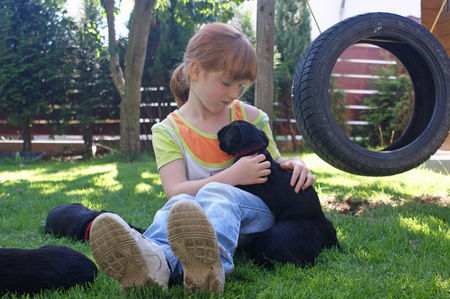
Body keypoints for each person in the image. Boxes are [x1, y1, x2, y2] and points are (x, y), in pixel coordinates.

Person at [89, 22, 316, 296]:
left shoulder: (253, 118)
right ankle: (155, 262)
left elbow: (276, 165)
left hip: (255, 216)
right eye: (227, 82)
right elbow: (174, 189)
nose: (234, 93)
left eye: (241, 86)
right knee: (179, 204)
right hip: (195, 224)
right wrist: (232, 176)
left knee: (219, 193)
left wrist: (298, 163)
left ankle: (212, 267)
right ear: (196, 71)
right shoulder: (168, 131)